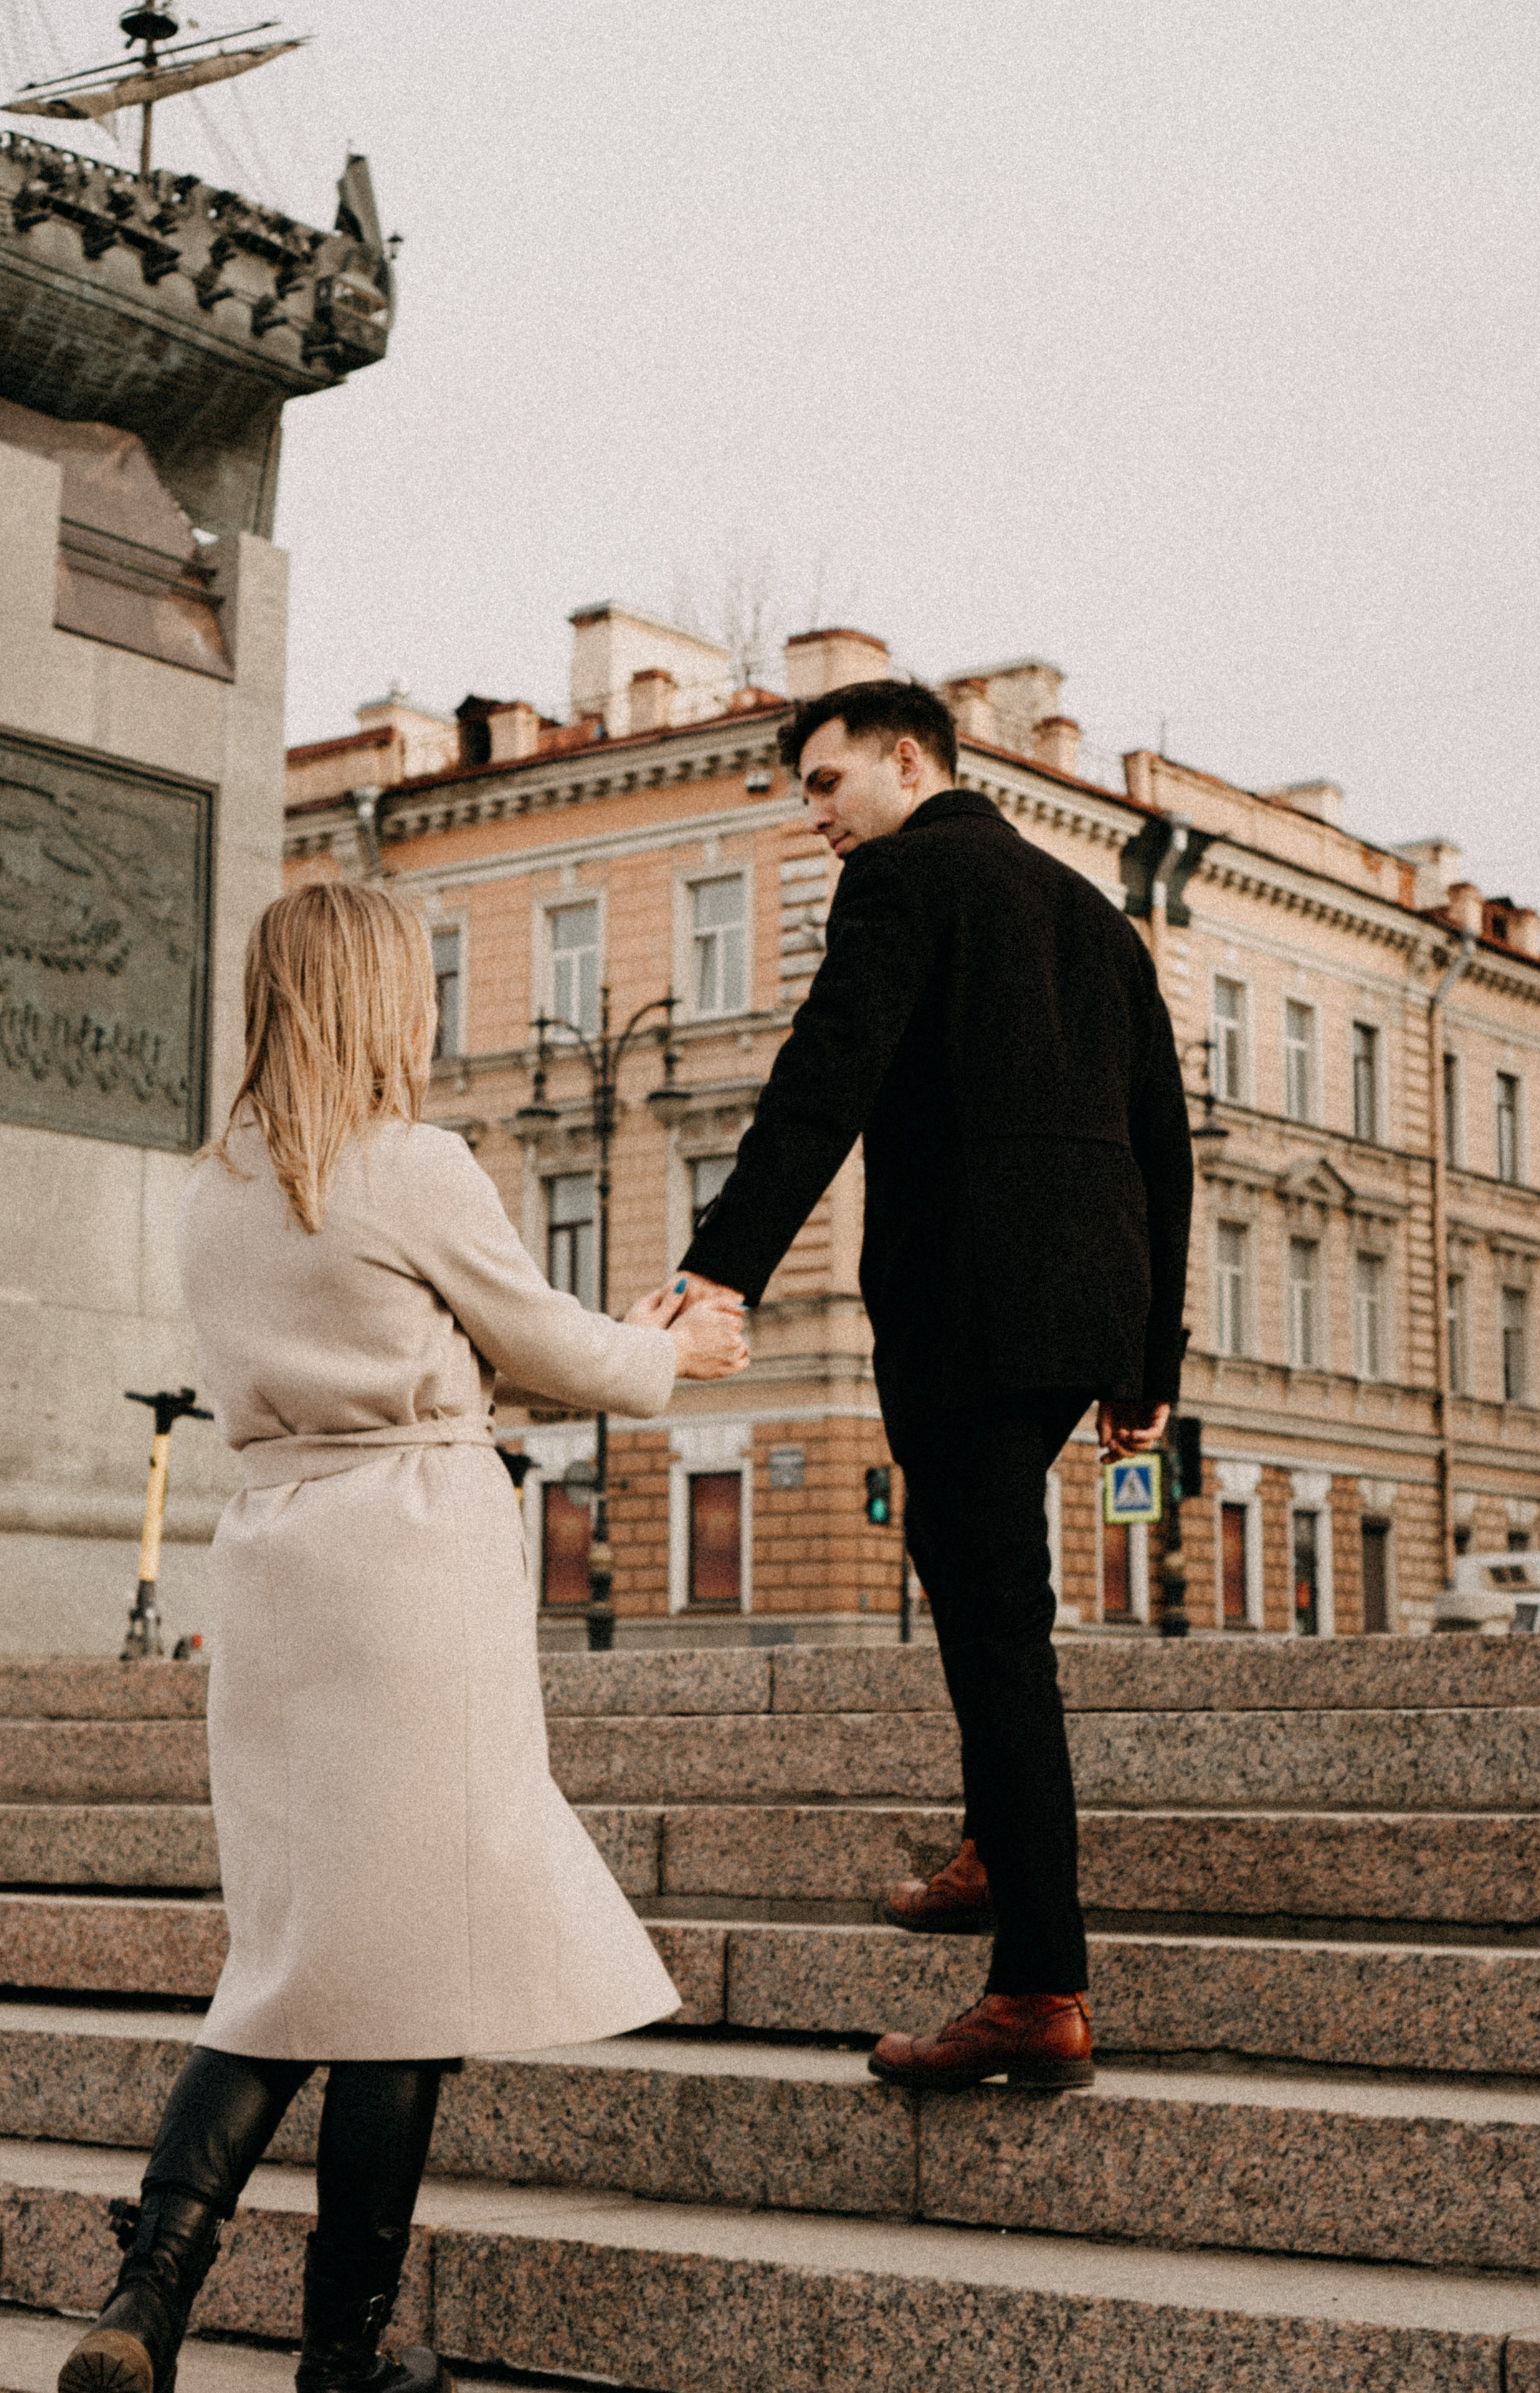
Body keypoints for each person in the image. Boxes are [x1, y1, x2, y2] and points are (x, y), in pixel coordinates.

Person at [59, 881, 746, 2393]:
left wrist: (588, 1344)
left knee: (289, 1958)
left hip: (275, 1566)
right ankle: (342, 2353)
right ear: (381, 1000)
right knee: (403, 1980)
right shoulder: (414, 1165)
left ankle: (145, 2301)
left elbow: (428, 1340)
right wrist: (672, 1345)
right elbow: (553, 1352)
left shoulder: (218, 1185)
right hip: (412, 1565)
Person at [679, 680, 1191, 2093]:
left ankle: (1037, 1984)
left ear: (910, 762)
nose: (815, 814)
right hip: (1083, 1303)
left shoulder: (901, 881)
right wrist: (1147, 1355)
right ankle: (990, 1845)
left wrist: (722, 1265)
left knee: (996, 1621)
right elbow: (1163, 1139)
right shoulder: (1093, 911)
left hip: (971, 1302)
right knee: (963, 1567)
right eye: (803, 791)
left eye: (828, 781)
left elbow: (823, 1078)